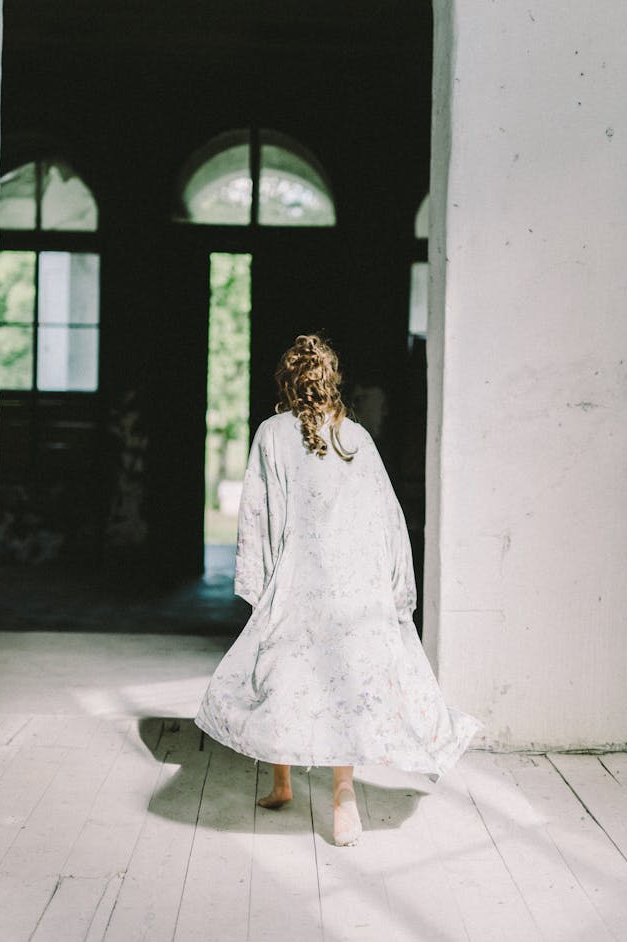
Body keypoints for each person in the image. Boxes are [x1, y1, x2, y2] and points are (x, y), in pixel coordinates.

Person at [195, 334, 484, 846]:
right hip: (353, 583)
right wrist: (393, 585)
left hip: (299, 576)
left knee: (285, 675)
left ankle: (282, 783)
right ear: (331, 381)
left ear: (288, 380)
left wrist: (260, 583)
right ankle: (342, 797)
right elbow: (387, 517)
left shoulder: (271, 433)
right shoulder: (355, 438)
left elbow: (258, 513)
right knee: (344, 685)